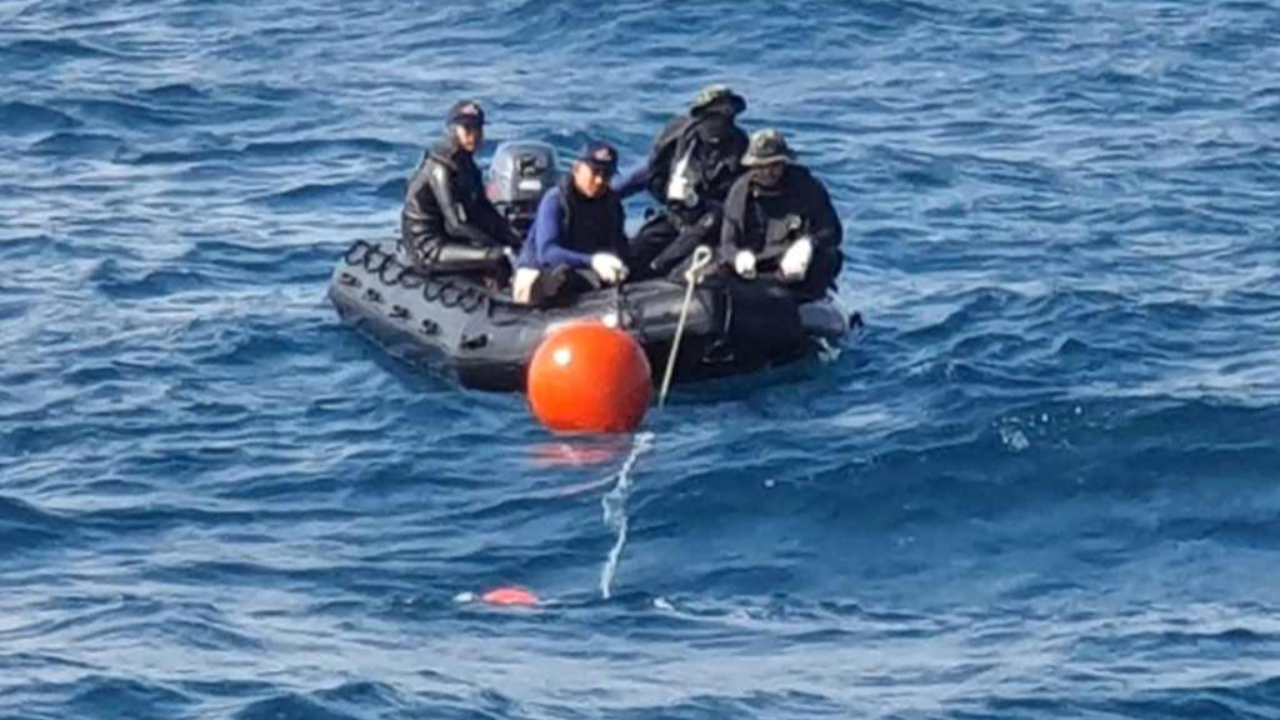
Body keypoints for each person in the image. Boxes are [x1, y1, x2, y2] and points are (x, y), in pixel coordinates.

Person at [612, 85, 750, 280]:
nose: (720, 121)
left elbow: (740, 203)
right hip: (675, 216)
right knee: (633, 254)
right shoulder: (681, 143)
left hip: (714, 227)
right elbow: (643, 176)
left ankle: (657, 269)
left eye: (727, 115)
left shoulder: (741, 149)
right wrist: (606, 195)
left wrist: (699, 203)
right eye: (714, 114)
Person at [400, 100, 521, 282]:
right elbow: (456, 224)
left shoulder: (467, 164)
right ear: (453, 130)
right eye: (467, 129)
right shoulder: (440, 168)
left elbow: (483, 208)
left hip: (449, 239)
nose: (474, 135)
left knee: (512, 245)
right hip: (428, 247)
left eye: (478, 129)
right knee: (498, 257)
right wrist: (496, 246)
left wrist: (511, 236)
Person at [719, 129, 843, 301]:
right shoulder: (740, 191)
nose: (767, 172)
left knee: (829, 258)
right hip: (755, 267)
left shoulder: (807, 187)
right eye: (760, 166)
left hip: (796, 268)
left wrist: (807, 245)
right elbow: (727, 242)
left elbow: (831, 232)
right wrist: (737, 258)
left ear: (785, 163)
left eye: (774, 165)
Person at [512, 142, 630, 306]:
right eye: (595, 172)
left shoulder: (610, 204)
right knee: (542, 281)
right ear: (577, 169)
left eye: (606, 175)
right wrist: (593, 261)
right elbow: (547, 252)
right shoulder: (555, 200)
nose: (599, 180)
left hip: (583, 271)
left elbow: (618, 242)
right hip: (545, 272)